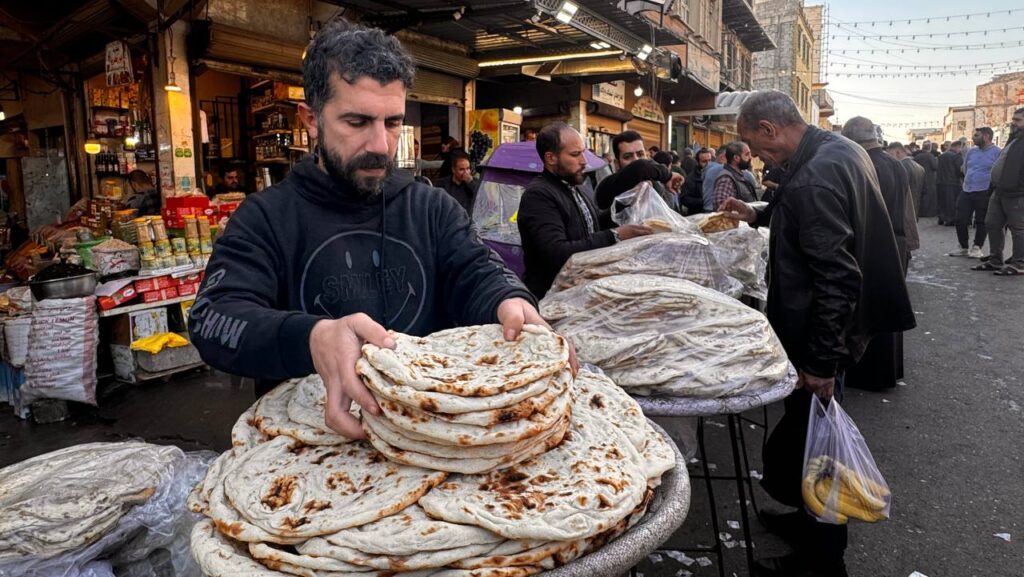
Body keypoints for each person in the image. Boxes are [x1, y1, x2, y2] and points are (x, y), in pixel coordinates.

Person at [188, 19, 572, 440]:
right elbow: (212, 319)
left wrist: (509, 300)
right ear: (311, 119)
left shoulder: (430, 208)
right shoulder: (265, 219)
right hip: (310, 451)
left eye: (392, 122)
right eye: (356, 122)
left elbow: (476, 272)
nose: (379, 145)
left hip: (434, 439)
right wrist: (311, 337)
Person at [719, 90, 915, 577]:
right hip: (833, 330)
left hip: (821, 335)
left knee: (820, 444)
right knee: (810, 438)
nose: (759, 156)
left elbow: (837, 277)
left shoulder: (816, 175)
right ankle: (806, 517)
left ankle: (822, 558)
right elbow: (806, 209)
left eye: (756, 145)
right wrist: (760, 211)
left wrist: (822, 362)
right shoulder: (837, 148)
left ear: (770, 129)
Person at [517, 122, 652, 298]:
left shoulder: (575, 186)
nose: (584, 161)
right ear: (551, 158)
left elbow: (592, 225)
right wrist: (615, 235)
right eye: (575, 154)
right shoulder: (538, 195)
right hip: (552, 298)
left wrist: (627, 204)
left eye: (583, 152)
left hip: (579, 291)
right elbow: (556, 253)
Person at [841, 116, 917, 390]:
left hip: (875, 241)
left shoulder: (865, 164)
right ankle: (887, 373)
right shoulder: (894, 163)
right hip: (896, 242)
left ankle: (869, 375)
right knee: (888, 303)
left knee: (870, 308)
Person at [979, 108, 1024, 275]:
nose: (1013, 123)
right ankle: (995, 260)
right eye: (1013, 119)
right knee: (992, 223)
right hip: (999, 191)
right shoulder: (1014, 139)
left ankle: (1019, 264)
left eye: (1018, 120)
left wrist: (1018, 186)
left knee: (1018, 229)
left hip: (1016, 193)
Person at [594, 130, 682, 211]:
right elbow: (639, 166)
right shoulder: (610, 186)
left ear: (647, 157)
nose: (636, 160)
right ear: (617, 164)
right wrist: (667, 175)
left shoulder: (658, 184)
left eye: (640, 154)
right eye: (627, 157)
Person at [950, 127, 1000, 259]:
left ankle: (977, 247)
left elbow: (998, 172)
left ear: (986, 137)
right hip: (967, 189)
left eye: (976, 135)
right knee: (960, 219)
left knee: (981, 221)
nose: (973, 138)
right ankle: (963, 247)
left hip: (984, 191)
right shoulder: (971, 152)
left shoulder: (997, 152)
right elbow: (965, 168)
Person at [710, 141, 757, 210]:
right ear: (736, 158)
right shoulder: (726, 178)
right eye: (747, 154)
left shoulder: (739, 175)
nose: (750, 157)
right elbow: (720, 204)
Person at [434, 150, 478, 216]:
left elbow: (481, 198)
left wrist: (471, 183)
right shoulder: (442, 184)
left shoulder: (474, 182)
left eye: (468, 168)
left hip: (468, 220)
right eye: (461, 169)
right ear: (453, 170)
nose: (466, 173)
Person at [888, 141, 924, 219]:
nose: (890, 159)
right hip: (915, 209)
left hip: (902, 211)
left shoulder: (900, 167)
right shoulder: (920, 167)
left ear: (897, 153)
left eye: (891, 155)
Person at [936, 140, 964, 226]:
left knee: (942, 202)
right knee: (951, 203)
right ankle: (950, 219)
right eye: (960, 148)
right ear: (957, 147)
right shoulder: (956, 157)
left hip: (940, 182)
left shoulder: (941, 156)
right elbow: (959, 170)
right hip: (952, 183)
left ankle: (941, 218)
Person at [680, 147, 714, 215]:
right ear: (698, 162)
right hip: (698, 216)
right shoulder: (691, 178)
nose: (708, 164)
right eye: (704, 161)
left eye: (709, 160)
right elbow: (685, 199)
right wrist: (704, 202)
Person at [913, 141, 938, 218]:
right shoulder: (930, 156)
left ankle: (920, 212)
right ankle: (928, 213)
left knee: (920, 195)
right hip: (929, 179)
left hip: (918, 177)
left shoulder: (917, 156)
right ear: (929, 148)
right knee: (929, 196)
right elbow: (935, 167)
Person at [701, 146, 728, 211]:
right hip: (716, 209)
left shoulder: (708, 168)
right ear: (722, 157)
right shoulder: (721, 169)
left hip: (707, 207)